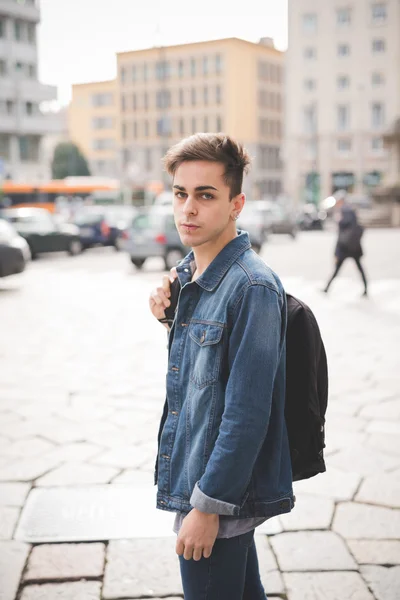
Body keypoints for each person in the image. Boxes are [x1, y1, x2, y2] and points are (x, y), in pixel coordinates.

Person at [149, 133, 294, 600]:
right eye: (180, 194)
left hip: (217, 494)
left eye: (205, 195)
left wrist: (207, 507)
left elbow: (247, 412)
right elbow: (203, 379)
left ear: (236, 204)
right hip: (204, 480)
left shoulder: (251, 286)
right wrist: (170, 317)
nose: (187, 209)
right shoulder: (193, 276)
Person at [323, 198, 368, 296]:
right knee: (359, 269)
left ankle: (327, 288)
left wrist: (336, 252)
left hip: (344, 248)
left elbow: (341, 236)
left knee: (337, 269)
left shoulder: (344, 213)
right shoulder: (351, 212)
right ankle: (366, 289)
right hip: (354, 247)